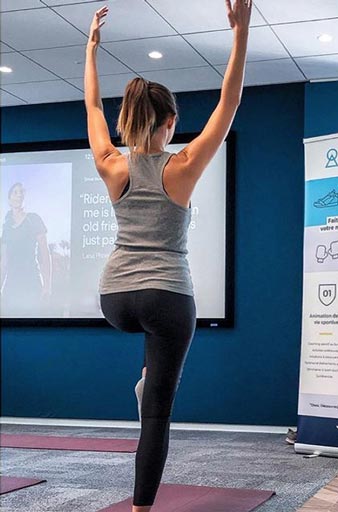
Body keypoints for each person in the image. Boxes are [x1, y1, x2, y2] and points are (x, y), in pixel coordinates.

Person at [84, 2, 251, 510]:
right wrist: (240, 32)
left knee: (147, 347)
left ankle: (147, 380)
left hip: (115, 300)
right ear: (172, 121)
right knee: (156, 413)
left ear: (130, 119)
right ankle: (140, 507)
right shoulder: (182, 166)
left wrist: (91, 48)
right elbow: (230, 100)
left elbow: (92, 109)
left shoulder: (112, 163)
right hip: (166, 296)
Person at [1, 182, 51, 317]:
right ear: (9, 199)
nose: (19, 195)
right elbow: (4, 262)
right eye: (15, 192)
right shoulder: (6, 227)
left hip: (32, 281)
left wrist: (47, 286)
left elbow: (45, 255)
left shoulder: (34, 219)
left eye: (21, 192)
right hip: (11, 285)